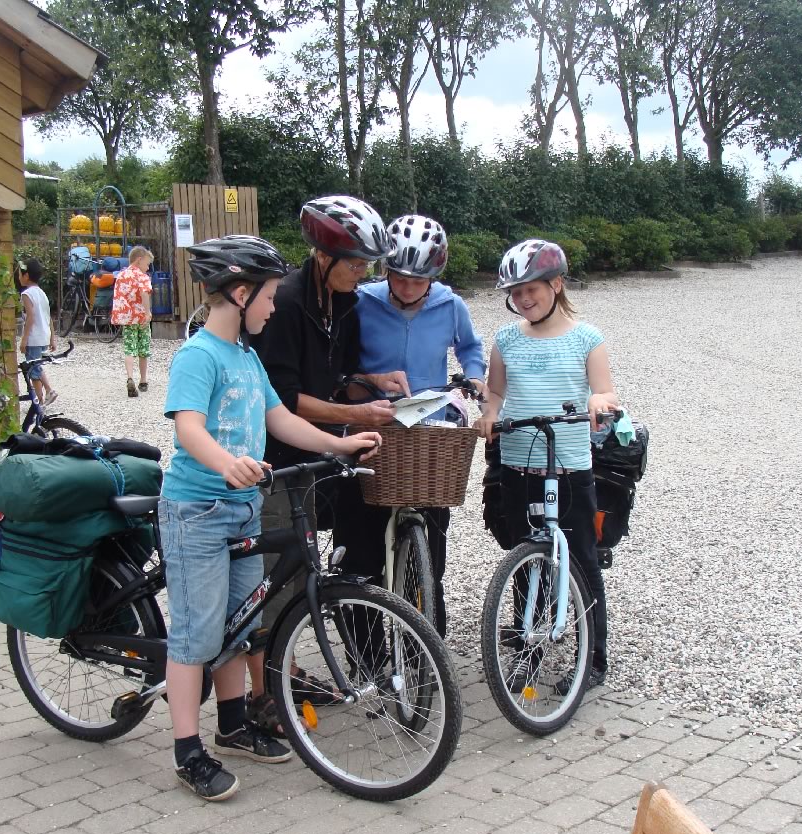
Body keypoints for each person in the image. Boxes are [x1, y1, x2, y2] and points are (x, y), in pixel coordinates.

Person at [160, 234, 381, 801]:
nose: (274, 305)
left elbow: (281, 420)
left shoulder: (248, 358)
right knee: (198, 632)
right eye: (267, 296)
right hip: (198, 510)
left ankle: (232, 722)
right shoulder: (198, 355)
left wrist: (341, 444)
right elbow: (188, 428)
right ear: (238, 293)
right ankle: (187, 750)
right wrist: (226, 463)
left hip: (242, 509)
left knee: (241, 621)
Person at [244, 195, 409, 730]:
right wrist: (356, 410)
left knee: (315, 553)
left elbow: (340, 372)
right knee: (274, 574)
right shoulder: (288, 304)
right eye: (357, 264)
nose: (364, 275)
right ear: (323, 257)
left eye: (368, 265)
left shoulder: (344, 302)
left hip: (317, 452)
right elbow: (285, 398)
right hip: (275, 454)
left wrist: (374, 382)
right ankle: (263, 689)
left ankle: (295, 663)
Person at [474, 239, 620, 686]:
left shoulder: (586, 337)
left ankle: (593, 657)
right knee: (525, 556)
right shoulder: (506, 339)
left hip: (570, 466)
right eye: (515, 293)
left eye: (531, 290)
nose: (523, 300)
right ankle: (527, 647)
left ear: (556, 284)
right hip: (518, 463)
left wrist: (599, 400)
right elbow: (496, 392)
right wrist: (490, 414)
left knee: (581, 558)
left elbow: (605, 390)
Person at [340, 215, 487, 637]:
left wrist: (474, 376)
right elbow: (344, 365)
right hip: (373, 424)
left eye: (417, 280)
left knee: (432, 541)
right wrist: (364, 384)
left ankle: (426, 635)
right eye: (398, 277)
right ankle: (366, 653)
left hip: (428, 434)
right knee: (363, 546)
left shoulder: (450, 304)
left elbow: (470, 347)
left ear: (435, 275)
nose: (406, 288)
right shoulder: (362, 301)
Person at [111, 246, 154, 397]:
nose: (147, 267)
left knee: (129, 349)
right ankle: (143, 380)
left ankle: (130, 377)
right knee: (143, 349)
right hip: (141, 317)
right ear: (139, 260)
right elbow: (144, 294)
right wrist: (147, 312)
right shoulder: (142, 277)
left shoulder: (121, 275)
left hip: (127, 318)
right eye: (147, 264)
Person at [18, 258, 57, 405]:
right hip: (44, 335)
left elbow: (30, 317)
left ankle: (43, 397)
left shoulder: (27, 294)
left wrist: (24, 339)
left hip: (34, 337)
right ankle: (44, 395)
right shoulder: (42, 293)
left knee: (33, 370)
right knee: (36, 366)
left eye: (20, 275)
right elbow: (49, 317)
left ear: (26, 276)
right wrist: (52, 337)